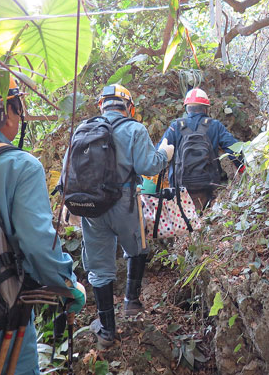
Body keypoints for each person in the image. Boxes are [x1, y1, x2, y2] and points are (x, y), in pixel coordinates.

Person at [0, 75, 86, 374]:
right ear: (7, 111)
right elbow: (38, 245)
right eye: (18, 109)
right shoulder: (21, 167)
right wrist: (67, 282)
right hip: (0, 320)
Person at [80, 84, 174, 349]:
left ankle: (106, 331)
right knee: (137, 246)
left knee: (99, 267)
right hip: (123, 201)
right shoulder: (134, 129)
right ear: (128, 107)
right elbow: (148, 167)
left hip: (90, 206)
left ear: (101, 106)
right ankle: (131, 302)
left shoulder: (84, 129)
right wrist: (164, 155)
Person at [160, 88, 244, 211]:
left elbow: (159, 153)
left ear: (186, 108)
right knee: (204, 219)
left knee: (183, 222)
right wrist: (242, 167)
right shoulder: (215, 125)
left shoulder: (175, 126)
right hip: (207, 185)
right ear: (206, 109)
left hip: (180, 188)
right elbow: (234, 149)